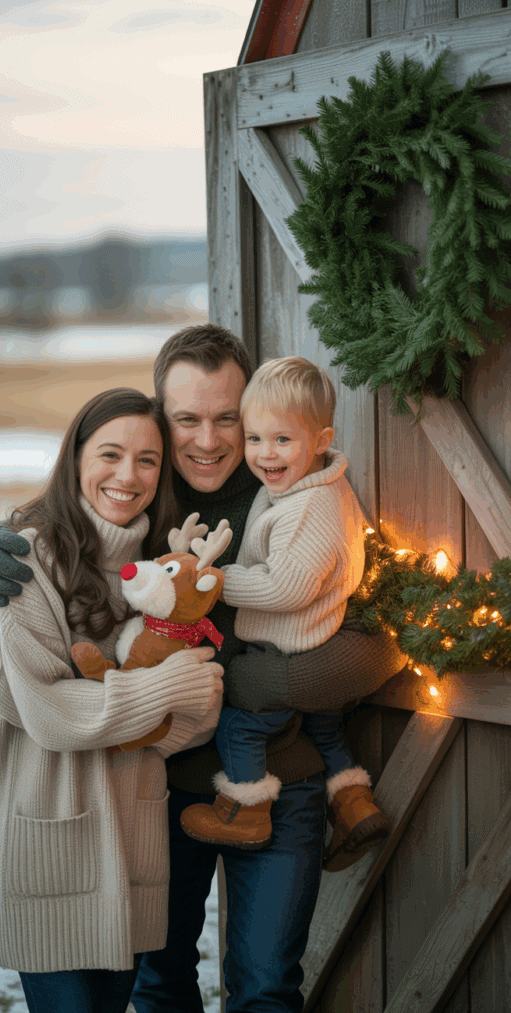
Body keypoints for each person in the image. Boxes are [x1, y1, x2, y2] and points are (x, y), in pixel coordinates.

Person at [0, 326, 404, 1013]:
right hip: (160, 792)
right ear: (161, 419)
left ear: (254, 412)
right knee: (160, 985)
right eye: (186, 420)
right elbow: (72, 527)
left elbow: (378, 647)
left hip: (280, 777)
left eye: (227, 418)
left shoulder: (296, 498)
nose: (208, 440)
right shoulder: (145, 501)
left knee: (266, 987)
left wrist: (259, 684)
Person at [0, 387, 223, 1013]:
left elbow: (192, 723)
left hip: (135, 841)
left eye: (147, 460)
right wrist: (167, 690)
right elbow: (49, 713)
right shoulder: (25, 556)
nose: (127, 475)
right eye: (110, 454)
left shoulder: (160, 570)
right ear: (76, 457)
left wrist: (164, 713)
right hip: (47, 832)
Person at [179, 357, 390, 864]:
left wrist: (218, 583)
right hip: (310, 634)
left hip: (290, 645)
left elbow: (287, 587)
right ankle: (353, 802)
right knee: (323, 728)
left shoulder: (309, 507)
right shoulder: (306, 488)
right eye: (254, 439)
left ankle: (246, 809)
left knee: (241, 725)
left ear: (320, 441)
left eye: (281, 441)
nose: (264, 454)